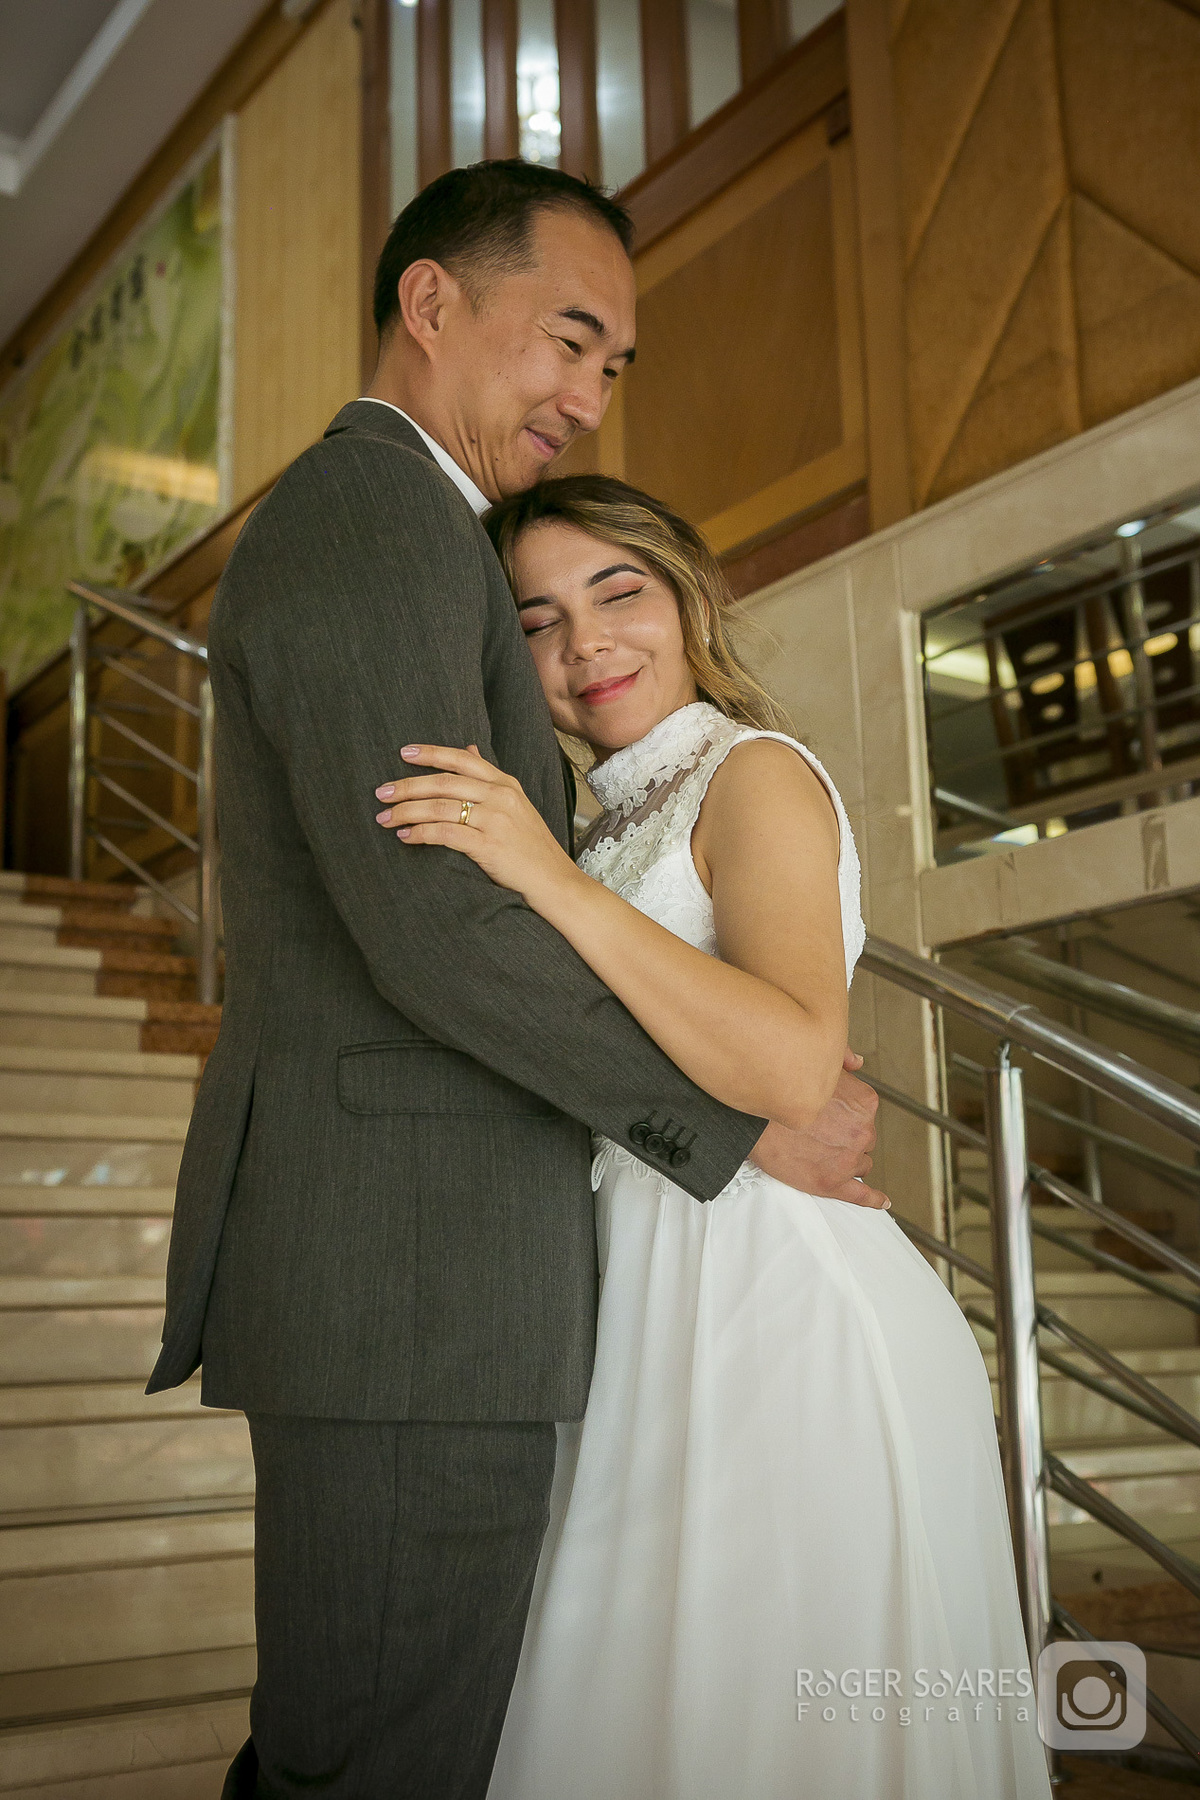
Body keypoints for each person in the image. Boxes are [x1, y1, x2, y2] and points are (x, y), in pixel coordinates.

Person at [146, 161, 884, 1800]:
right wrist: (736, 1129)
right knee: (380, 1758)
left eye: (615, 366)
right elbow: (432, 921)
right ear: (432, 304)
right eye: (569, 338)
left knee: (380, 1740)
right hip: (409, 1282)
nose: (588, 394)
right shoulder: (372, 510)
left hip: (447, 1283)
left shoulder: (427, 532)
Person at [371, 474, 1054, 1799]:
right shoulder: (589, 821)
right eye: (538, 620)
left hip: (776, 1306)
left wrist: (552, 886)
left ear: (686, 594)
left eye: (616, 592)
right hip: (637, 1304)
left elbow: (799, 1063)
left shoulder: (754, 777)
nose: (585, 646)